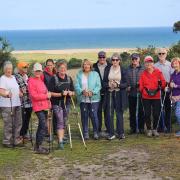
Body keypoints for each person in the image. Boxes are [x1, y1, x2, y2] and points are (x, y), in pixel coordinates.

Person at [49, 61, 75, 149]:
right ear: (57, 69)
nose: (63, 70)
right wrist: (61, 94)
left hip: (66, 103)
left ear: (66, 69)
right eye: (61, 68)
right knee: (60, 120)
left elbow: (73, 91)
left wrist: (71, 93)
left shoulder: (69, 78)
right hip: (57, 104)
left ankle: (62, 137)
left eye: (64, 68)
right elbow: (50, 93)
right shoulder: (54, 79)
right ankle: (60, 142)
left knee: (64, 120)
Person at [139, 56, 166, 137]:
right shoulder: (143, 73)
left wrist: (162, 85)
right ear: (145, 64)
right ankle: (149, 129)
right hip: (146, 97)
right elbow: (141, 85)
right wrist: (144, 91)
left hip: (156, 96)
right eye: (147, 62)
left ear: (153, 63)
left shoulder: (158, 72)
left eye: (150, 62)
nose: (149, 64)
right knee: (147, 114)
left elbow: (163, 82)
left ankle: (155, 129)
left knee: (156, 114)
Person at [75, 59, 101, 140]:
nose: (86, 66)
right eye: (84, 64)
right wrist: (82, 91)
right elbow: (76, 85)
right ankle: (85, 132)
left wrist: (92, 92)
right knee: (84, 115)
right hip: (83, 98)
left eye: (88, 64)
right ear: (83, 66)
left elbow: (98, 85)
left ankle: (96, 132)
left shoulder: (95, 74)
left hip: (94, 98)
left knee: (94, 115)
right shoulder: (79, 74)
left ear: (90, 65)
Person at [28, 63, 51, 154]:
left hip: (44, 106)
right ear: (33, 71)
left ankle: (38, 146)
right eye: (36, 71)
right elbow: (34, 96)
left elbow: (45, 92)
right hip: (38, 107)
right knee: (42, 125)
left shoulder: (41, 80)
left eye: (39, 71)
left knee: (42, 126)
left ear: (41, 71)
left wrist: (48, 101)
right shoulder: (31, 81)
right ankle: (38, 147)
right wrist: (46, 96)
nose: (38, 72)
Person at [103, 53, 127, 140]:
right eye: (113, 60)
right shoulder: (107, 68)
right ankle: (111, 133)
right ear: (111, 61)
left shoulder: (123, 70)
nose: (115, 61)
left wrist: (118, 85)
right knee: (109, 113)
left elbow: (125, 84)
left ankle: (121, 133)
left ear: (119, 61)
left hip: (119, 94)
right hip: (109, 93)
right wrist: (109, 84)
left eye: (117, 60)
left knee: (119, 113)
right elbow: (104, 82)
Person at [0, 61, 22, 148]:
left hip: (17, 103)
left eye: (10, 69)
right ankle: (7, 141)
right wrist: (6, 94)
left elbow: (16, 88)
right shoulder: (2, 78)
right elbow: (1, 91)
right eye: (7, 69)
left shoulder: (13, 77)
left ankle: (16, 140)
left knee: (18, 122)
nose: (9, 70)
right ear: (4, 70)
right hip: (7, 105)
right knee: (9, 123)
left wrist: (20, 92)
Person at [154, 48, 173, 133]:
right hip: (158, 89)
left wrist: (170, 86)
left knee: (168, 108)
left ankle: (168, 127)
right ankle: (160, 127)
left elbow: (173, 77)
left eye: (163, 53)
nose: (161, 55)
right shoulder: (155, 65)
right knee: (159, 108)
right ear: (157, 55)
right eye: (160, 54)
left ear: (166, 54)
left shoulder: (170, 65)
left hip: (168, 89)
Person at [93, 51, 111, 137]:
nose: (102, 59)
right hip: (97, 92)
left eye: (103, 57)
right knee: (98, 111)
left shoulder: (110, 66)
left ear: (106, 57)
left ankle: (108, 129)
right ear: (98, 58)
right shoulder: (94, 66)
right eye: (100, 57)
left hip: (108, 91)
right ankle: (98, 129)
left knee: (107, 111)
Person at [126, 53, 144, 134]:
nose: (134, 60)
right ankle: (133, 128)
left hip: (141, 93)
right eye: (133, 59)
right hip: (131, 93)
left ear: (139, 59)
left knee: (141, 111)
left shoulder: (143, 68)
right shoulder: (128, 69)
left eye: (136, 59)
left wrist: (140, 85)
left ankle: (141, 128)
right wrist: (128, 86)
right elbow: (126, 80)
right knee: (132, 111)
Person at [15, 62, 32, 141]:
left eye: (26, 67)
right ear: (20, 68)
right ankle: (20, 135)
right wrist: (19, 91)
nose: (26, 68)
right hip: (21, 102)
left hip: (29, 101)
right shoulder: (15, 77)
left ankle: (25, 133)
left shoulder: (27, 76)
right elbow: (15, 87)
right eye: (24, 67)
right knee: (21, 119)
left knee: (27, 118)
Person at [41, 59, 57, 136]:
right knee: (48, 115)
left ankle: (55, 131)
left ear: (53, 65)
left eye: (51, 65)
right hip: (46, 97)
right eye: (48, 65)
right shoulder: (43, 74)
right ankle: (48, 132)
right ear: (46, 66)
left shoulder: (56, 73)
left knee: (56, 114)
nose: (49, 67)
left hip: (55, 97)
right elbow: (40, 85)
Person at [170, 57, 180, 137]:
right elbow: (171, 86)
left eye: (176, 63)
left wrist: (176, 86)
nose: (174, 65)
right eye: (173, 63)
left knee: (177, 114)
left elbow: (175, 86)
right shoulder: (172, 74)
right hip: (174, 97)